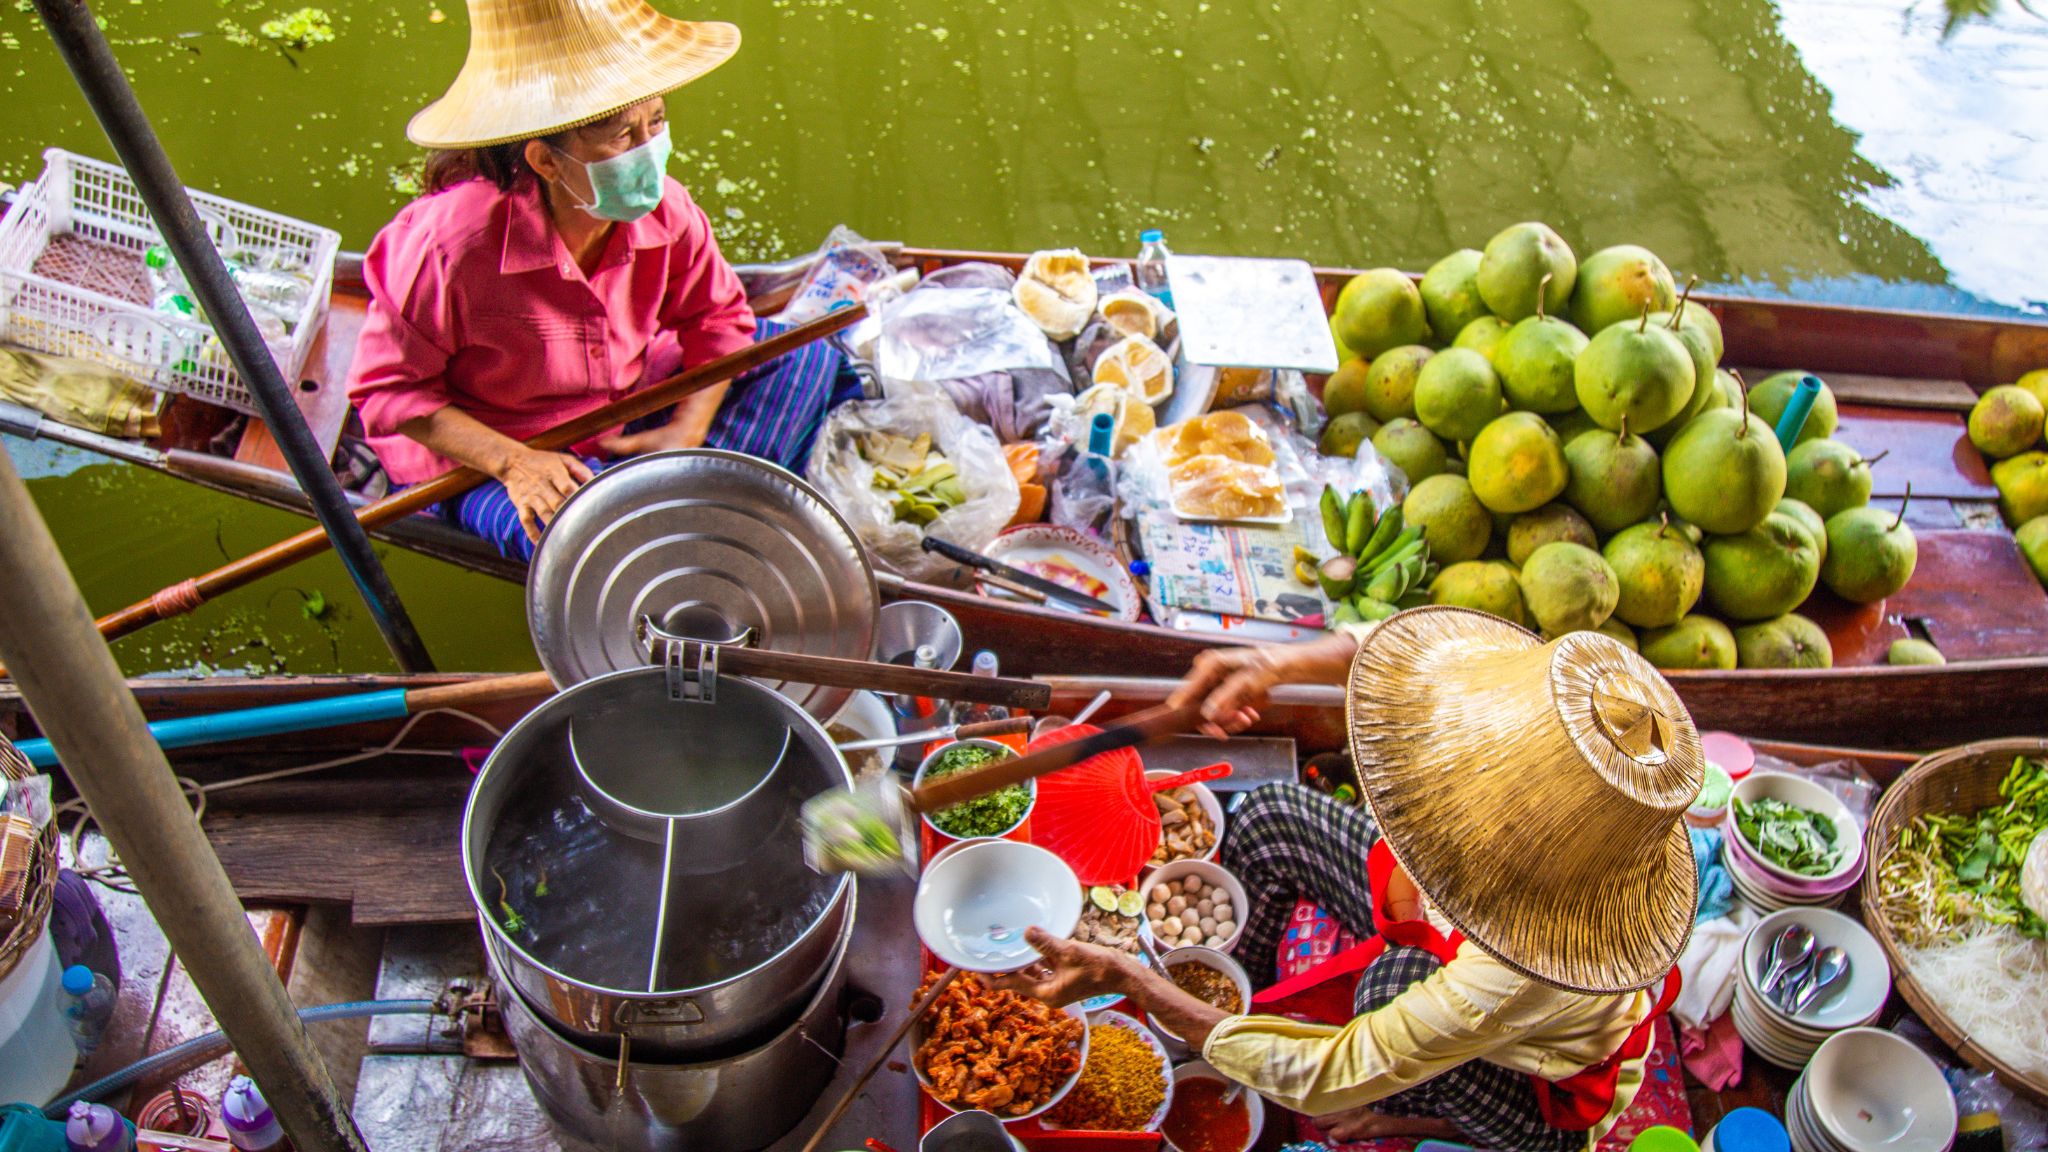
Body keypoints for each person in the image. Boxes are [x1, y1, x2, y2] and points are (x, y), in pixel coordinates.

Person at [994, 608, 1702, 1150]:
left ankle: (1412, 1108)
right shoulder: (1533, 715)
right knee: (1271, 816)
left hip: (1536, 1096)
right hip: (1452, 932)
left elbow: (1332, 1072)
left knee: (1389, 989)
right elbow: (1401, 650)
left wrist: (1134, 980)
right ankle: (1231, 993)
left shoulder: (1524, 968)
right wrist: (1274, 661)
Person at [346, 0, 859, 560]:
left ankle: (676, 499)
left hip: (623, 405)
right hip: (495, 455)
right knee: (587, 537)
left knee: (808, 359)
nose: (649, 150)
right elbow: (390, 393)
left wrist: (687, 429)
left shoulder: (668, 210)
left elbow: (717, 322)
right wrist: (516, 463)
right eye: (621, 135)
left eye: (656, 122)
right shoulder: (448, 246)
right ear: (545, 160)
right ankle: (683, 512)